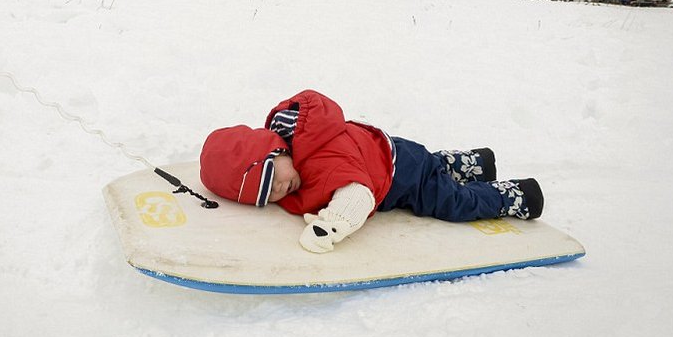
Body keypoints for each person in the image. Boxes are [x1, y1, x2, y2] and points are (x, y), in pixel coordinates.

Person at [200, 90, 543, 253]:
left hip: (400, 179)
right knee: (431, 164)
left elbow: (357, 195)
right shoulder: (306, 137)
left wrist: (330, 227)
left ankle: (515, 196)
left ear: (277, 149)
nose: (281, 189)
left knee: (450, 201)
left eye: (274, 177)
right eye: (268, 193)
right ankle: (473, 162)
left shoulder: (322, 161)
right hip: (390, 151)